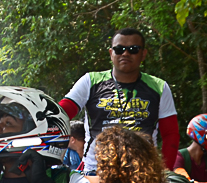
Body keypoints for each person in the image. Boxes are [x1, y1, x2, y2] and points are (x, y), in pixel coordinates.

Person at [60, 27, 179, 170]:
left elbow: (170, 134)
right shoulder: (90, 81)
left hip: (142, 174)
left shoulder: (159, 87)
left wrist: (165, 172)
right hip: (96, 172)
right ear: (111, 53)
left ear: (143, 54)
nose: (125, 53)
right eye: (119, 49)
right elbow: (60, 114)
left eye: (133, 49)